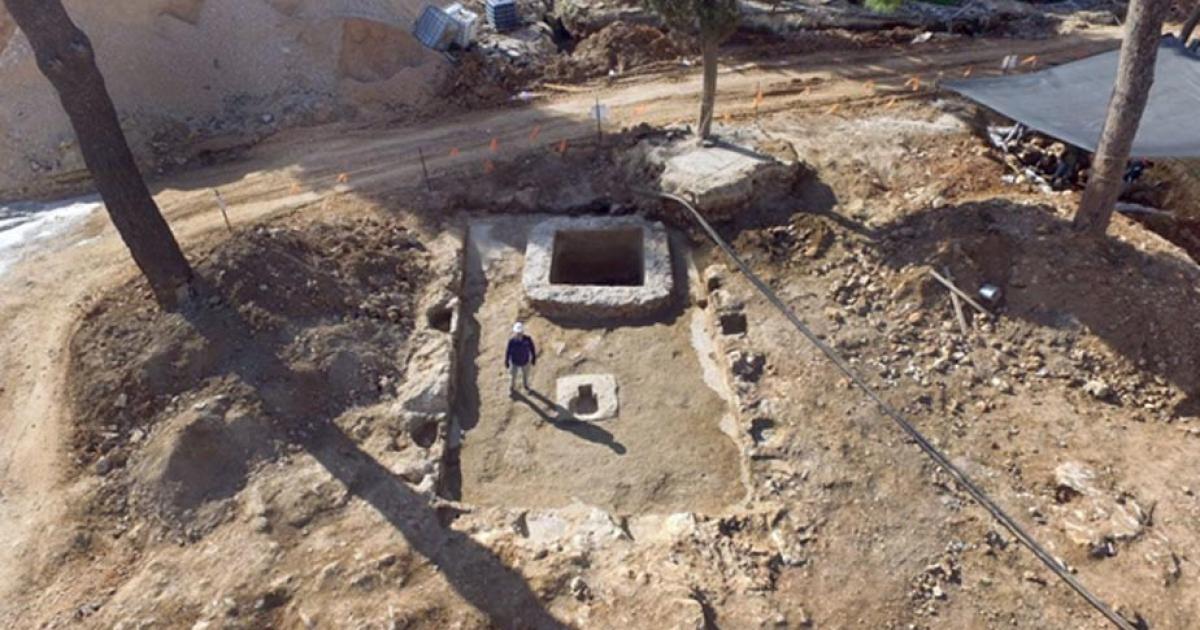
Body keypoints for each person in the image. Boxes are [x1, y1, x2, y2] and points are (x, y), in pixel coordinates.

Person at [505, 322, 537, 393]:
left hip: (525, 361)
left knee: (525, 375)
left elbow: (532, 349)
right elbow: (508, 351)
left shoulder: (528, 340)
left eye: (520, 333)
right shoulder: (512, 342)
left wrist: (534, 358)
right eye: (517, 333)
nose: (519, 334)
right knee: (513, 376)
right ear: (515, 333)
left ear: (523, 332)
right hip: (514, 362)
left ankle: (526, 386)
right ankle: (512, 388)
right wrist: (506, 361)